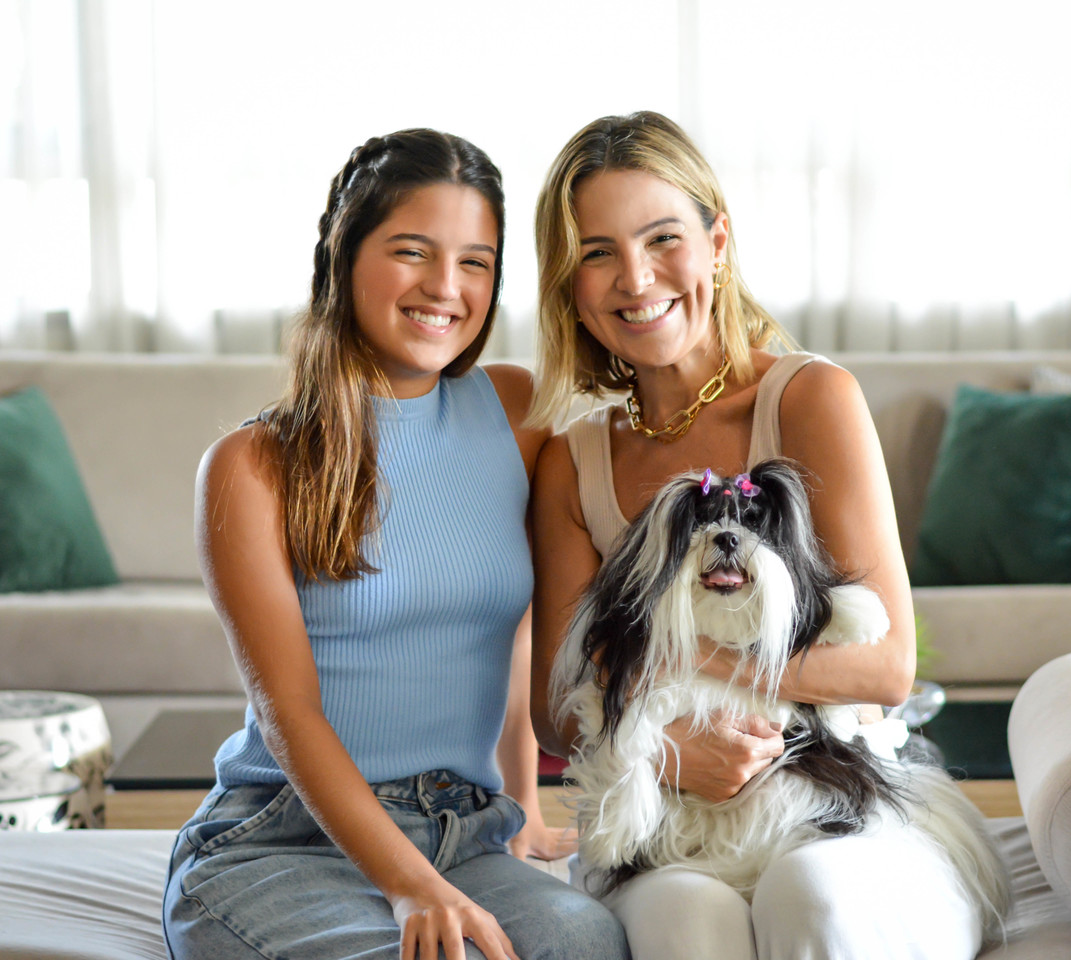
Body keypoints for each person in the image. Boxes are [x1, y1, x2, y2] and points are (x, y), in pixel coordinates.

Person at [528, 111, 986, 960]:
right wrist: (667, 751)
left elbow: (886, 667)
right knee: (683, 923)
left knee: (808, 896)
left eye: (663, 238)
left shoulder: (811, 399)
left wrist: (682, 657)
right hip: (666, 822)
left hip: (827, 796)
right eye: (597, 253)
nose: (636, 277)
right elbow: (555, 711)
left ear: (717, 243)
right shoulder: (572, 461)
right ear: (570, 285)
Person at [163, 128, 630, 960]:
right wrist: (410, 884)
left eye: (475, 262)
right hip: (285, 838)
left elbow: (516, 627)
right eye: (412, 251)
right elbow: (289, 712)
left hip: (463, 830)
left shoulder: (516, 412)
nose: (445, 287)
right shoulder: (251, 465)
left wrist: (522, 803)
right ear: (344, 256)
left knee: (588, 941)